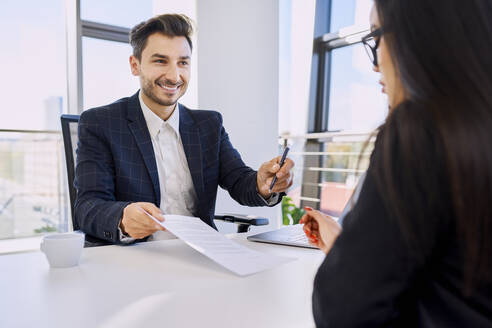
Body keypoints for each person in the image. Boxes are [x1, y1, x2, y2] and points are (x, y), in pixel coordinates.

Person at [301, 0, 492, 326]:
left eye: (377, 37)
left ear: (420, 35)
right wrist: (353, 247)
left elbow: (343, 310)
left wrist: (349, 259)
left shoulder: (420, 132)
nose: (375, 65)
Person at [74, 14, 294, 245]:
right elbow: (87, 206)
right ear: (135, 65)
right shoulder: (101, 123)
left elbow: (239, 181)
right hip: (135, 256)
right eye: (160, 61)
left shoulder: (208, 125)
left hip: (200, 253)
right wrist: (122, 219)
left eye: (183, 62)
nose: (174, 76)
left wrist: (262, 184)